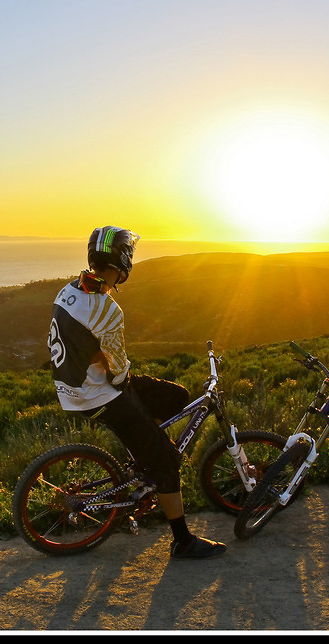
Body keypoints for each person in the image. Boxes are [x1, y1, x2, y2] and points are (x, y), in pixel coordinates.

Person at [47, 226, 226, 560]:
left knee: (176, 395)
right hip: (100, 394)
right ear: (123, 261)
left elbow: (88, 348)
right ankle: (182, 540)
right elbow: (116, 370)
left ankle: (145, 456)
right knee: (168, 462)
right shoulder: (107, 309)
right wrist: (123, 382)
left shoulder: (68, 290)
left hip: (76, 386)